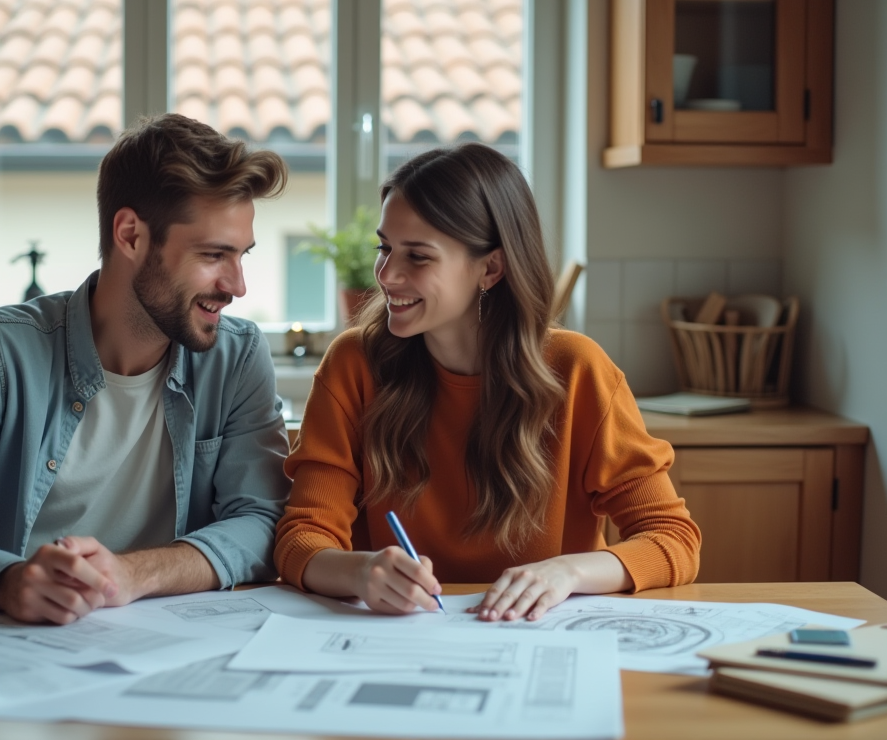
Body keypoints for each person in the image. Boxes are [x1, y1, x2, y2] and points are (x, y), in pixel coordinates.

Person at [0, 114, 291, 625]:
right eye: (213, 255)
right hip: (12, 641)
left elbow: (263, 522)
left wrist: (133, 575)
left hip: (169, 644)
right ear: (130, 235)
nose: (237, 285)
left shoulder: (237, 358)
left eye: (241, 255)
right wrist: (3, 580)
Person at [275, 143, 701, 621]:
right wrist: (358, 573)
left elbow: (672, 538)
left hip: (538, 642)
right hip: (395, 638)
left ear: (490, 268)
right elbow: (301, 538)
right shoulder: (352, 364)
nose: (387, 274)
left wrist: (567, 574)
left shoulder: (578, 370)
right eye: (385, 248)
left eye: (417, 256)